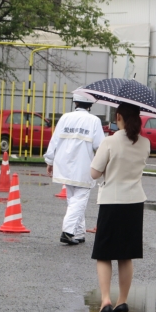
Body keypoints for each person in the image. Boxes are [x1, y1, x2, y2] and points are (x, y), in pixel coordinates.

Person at [89, 103, 150, 312]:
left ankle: (105, 300)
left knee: (104, 254)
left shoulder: (110, 141)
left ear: (118, 117)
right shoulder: (145, 143)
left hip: (111, 202)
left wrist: (107, 166)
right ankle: (122, 300)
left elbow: (94, 173)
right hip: (134, 204)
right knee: (126, 255)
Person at [44, 92, 105, 245]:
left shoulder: (65, 118)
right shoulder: (94, 121)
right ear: (90, 105)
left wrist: (49, 161)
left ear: (75, 102)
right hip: (83, 167)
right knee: (80, 199)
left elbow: (54, 141)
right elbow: (100, 146)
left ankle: (78, 233)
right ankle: (68, 231)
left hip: (64, 165)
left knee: (73, 199)